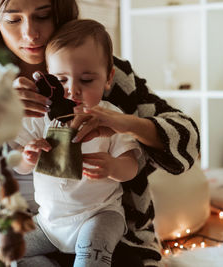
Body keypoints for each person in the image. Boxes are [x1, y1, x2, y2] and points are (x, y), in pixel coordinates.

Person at [0, 0, 201, 266]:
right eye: (13, 19)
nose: (30, 33)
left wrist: (125, 123)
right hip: (23, 233)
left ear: (60, 11)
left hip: (107, 235)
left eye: (43, 15)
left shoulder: (98, 67)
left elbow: (186, 136)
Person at [13, 19, 141, 267]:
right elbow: (18, 164)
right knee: (8, 249)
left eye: (86, 80)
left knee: (92, 253)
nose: (72, 91)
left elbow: (132, 167)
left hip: (99, 215)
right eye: (61, 81)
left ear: (108, 78)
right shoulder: (42, 115)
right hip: (49, 222)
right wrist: (28, 156)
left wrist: (113, 167)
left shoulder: (111, 118)